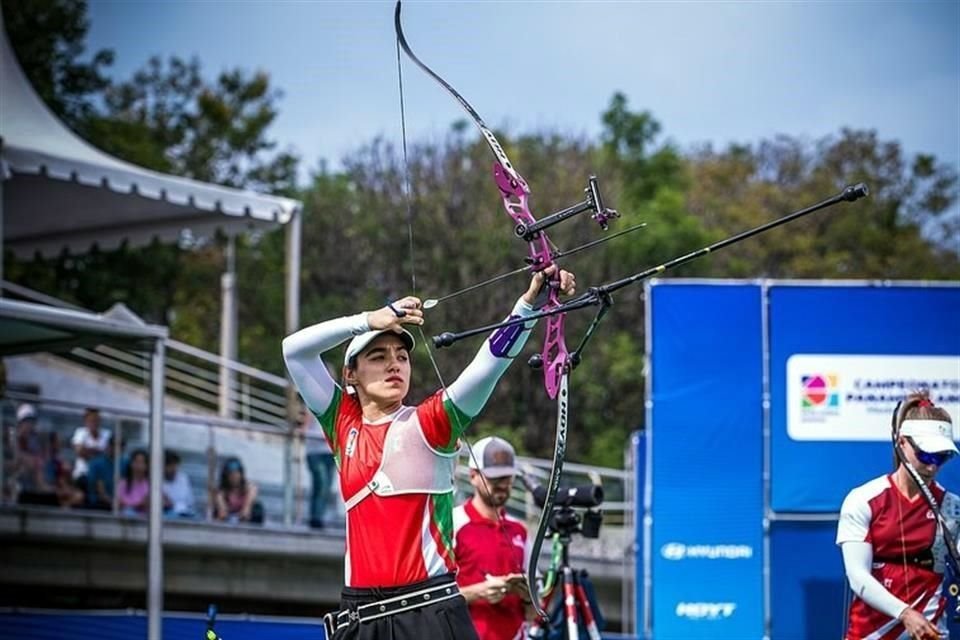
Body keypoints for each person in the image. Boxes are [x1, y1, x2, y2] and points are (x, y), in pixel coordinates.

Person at [282, 266, 575, 640]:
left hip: (428, 613)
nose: (394, 364)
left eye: (402, 357)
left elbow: (487, 366)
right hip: (359, 617)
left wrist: (530, 305)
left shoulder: (430, 423)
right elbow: (294, 351)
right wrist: (369, 319)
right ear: (350, 375)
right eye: (377, 356)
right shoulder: (343, 425)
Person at [837, 391, 960, 640]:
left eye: (942, 457)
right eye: (925, 455)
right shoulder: (864, 500)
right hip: (869, 633)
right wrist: (904, 612)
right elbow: (857, 576)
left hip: (931, 632)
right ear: (901, 443)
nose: (932, 466)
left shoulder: (951, 507)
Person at [454, 436, 531, 640]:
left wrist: (528, 596)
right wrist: (479, 592)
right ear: (473, 476)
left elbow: (533, 613)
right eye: (494, 478)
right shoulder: (453, 523)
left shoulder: (520, 530)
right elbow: (431, 599)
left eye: (508, 478)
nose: (503, 485)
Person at [297, 405, 336, 529]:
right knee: (321, 483)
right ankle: (316, 517)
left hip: (330, 451)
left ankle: (318, 516)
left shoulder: (336, 402)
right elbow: (305, 426)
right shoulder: (312, 403)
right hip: (315, 452)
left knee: (326, 487)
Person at [213, 456, 263, 524]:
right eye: (231, 474)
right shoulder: (222, 491)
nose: (234, 477)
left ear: (241, 474)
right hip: (228, 517)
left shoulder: (248, 487)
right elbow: (222, 511)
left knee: (257, 509)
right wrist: (222, 509)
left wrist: (247, 507)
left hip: (244, 517)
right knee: (217, 512)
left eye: (236, 473)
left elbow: (254, 489)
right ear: (226, 476)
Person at [70, 408, 110, 489]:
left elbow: (109, 454)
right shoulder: (80, 432)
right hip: (83, 474)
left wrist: (88, 450)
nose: (94, 423)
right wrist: (99, 453)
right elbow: (79, 452)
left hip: (102, 475)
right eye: (91, 420)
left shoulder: (107, 434)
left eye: (96, 420)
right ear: (85, 421)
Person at [162, 450, 197, 518]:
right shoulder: (156, 481)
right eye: (170, 465)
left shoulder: (183, 478)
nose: (173, 468)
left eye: (175, 465)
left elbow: (190, 501)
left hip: (185, 513)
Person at [116, 449, 150, 516]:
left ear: (147, 466)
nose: (139, 465)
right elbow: (119, 502)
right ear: (131, 464)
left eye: (142, 462)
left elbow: (147, 503)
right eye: (136, 462)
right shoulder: (123, 483)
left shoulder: (150, 484)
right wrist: (136, 505)